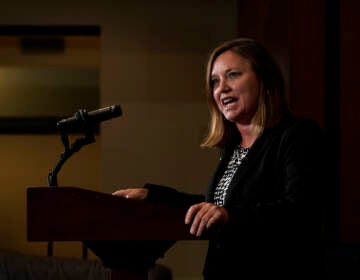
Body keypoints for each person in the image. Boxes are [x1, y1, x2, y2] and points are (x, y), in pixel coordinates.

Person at [113, 38, 327, 279]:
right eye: (215, 81)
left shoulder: (298, 135)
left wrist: (229, 216)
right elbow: (214, 206)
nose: (221, 88)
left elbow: (300, 210)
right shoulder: (233, 148)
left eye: (233, 75)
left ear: (264, 80)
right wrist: (154, 197)